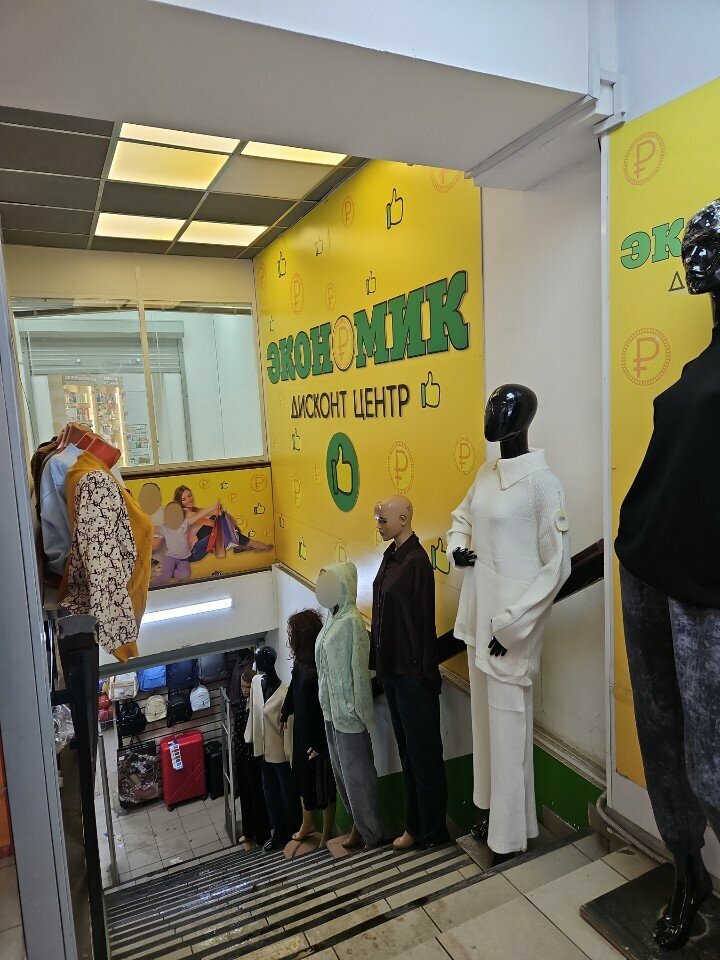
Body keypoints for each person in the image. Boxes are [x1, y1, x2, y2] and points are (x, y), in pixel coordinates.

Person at [280, 609, 336, 846]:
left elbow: (326, 705)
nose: (290, 637)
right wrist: (285, 711)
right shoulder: (301, 662)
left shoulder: (320, 663)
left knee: (324, 784)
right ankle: (308, 823)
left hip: (317, 734)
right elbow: (294, 688)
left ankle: (328, 832)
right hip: (302, 732)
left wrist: (321, 742)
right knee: (303, 779)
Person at [173, 485, 271, 560]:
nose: (189, 500)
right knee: (219, 524)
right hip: (193, 553)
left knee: (222, 519)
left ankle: (241, 543)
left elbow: (216, 512)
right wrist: (225, 521)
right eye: (184, 499)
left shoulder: (194, 509)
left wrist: (224, 515)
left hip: (199, 545)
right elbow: (211, 521)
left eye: (189, 496)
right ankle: (250, 543)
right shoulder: (184, 512)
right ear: (180, 502)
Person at [232, 668, 270, 847]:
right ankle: (248, 831)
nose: (244, 690)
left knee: (257, 795)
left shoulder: (259, 705)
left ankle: (262, 834)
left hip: (254, 757)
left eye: (248, 687)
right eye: (242, 686)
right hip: (242, 755)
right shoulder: (241, 703)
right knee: (246, 795)